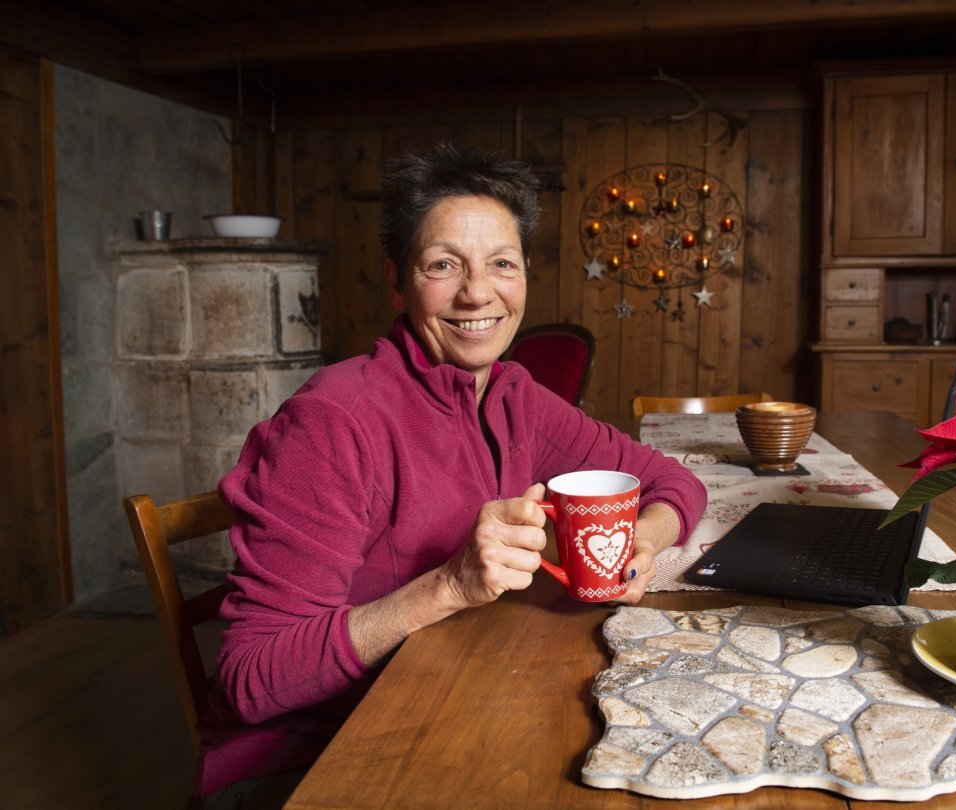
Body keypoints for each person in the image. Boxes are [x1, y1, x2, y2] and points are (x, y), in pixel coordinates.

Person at [198, 144, 707, 804]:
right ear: (397, 280)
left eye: (501, 263)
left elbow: (674, 480)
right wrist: (449, 585)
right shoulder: (333, 423)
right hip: (308, 761)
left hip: (452, 698)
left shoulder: (513, 395)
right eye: (443, 265)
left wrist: (641, 544)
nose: (477, 292)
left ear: (524, 275)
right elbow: (250, 677)